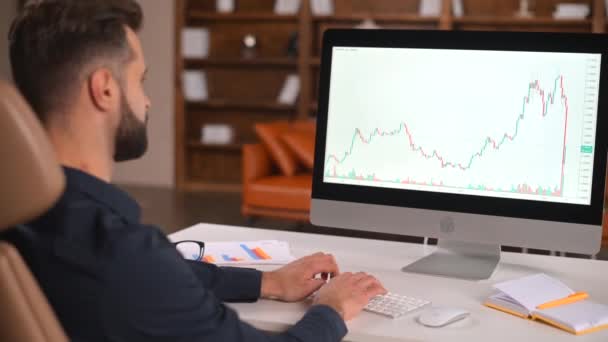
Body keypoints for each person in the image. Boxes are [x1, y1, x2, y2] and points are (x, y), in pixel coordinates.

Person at [4, 1, 387, 341]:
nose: (148, 99)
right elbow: (147, 274)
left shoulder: (28, 222)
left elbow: (161, 276)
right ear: (104, 89)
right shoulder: (121, 253)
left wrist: (266, 282)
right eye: (140, 81)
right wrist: (332, 310)